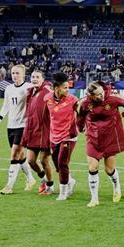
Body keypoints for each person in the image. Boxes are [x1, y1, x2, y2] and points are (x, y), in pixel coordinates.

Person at [76, 80, 124, 207]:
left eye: (102, 92)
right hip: (93, 137)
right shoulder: (86, 104)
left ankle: (116, 186)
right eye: (97, 94)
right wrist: (80, 128)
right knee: (92, 167)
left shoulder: (113, 99)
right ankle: (94, 199)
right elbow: (80, 116)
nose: (101, 96)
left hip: (110, 137)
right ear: (91, 96)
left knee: (109, 170)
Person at [0, 64, 34, 194]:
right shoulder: (9, 89)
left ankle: (9, 186)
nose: (15, 75)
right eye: (13, 73)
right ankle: (31, 178)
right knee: (20, 156)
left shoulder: (29, 87)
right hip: (11, 125)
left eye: (17, 73)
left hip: (23, 125)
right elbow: (6, 106)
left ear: (23, 75)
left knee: (14, 153)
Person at [44, 72, 80, 201]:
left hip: (68, 136)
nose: (67, 89)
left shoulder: (73, 99)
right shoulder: (47, 98)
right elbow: (46, 116)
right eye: (65, 87)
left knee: (62, 163)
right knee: (57, 164)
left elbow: (82, 111)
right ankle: (70, 181)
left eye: (68, 87)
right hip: (54, 136)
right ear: (56, 88)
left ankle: (63, 192)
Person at [21, 69, 55, 194]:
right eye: (33, 77)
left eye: (37, 77)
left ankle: (50, 186)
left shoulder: (47, 92)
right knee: (30, 160)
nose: (34, 79)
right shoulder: (31, 92)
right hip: (32, 130)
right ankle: (44, 178)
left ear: (42, 79)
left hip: (45, 131)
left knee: (44, 160)